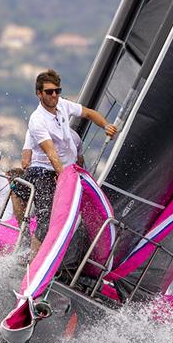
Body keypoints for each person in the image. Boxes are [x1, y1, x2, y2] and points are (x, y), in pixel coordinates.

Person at [24, 68, 117, 257]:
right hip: (43, 170)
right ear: (39, 93)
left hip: (66, 170)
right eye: (49, 92)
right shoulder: (37, 120)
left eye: (57, 91)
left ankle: (66, 258)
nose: (54, 95)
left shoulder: (63, 105)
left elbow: (90, 113)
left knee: (75, 216)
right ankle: (32, 257)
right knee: (46, 216)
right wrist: (64, 177)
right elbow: (51, 153)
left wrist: (106, 125)